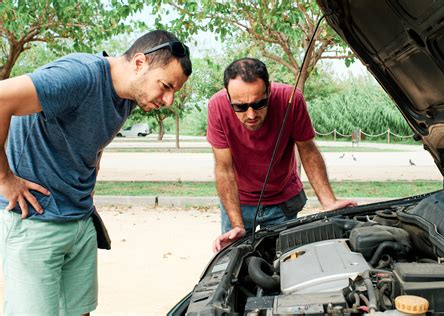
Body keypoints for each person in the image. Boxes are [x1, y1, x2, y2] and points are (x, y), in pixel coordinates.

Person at [0, 30, 192, 315]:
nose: (168, 100)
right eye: (166, 86)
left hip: (79, 219)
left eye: (174, 91)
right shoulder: (79, 76)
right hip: (34, 221)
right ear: (139, 63)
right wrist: (5, 179)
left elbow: (91, 137)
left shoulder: (127, 96)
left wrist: (92, 168)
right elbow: (2, 99)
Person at [207, 58, 356, 253]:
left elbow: (308, 150)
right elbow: (224, 169)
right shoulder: (217, 106)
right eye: (241, 107)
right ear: (228, 97)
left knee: (285, 262)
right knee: (238, 262)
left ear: (268, 90)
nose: (251, 115)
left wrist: (329, 202)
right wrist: (237, 225)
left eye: (259, 104)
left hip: (283, 201)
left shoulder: (291, 99)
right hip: (238, 203)